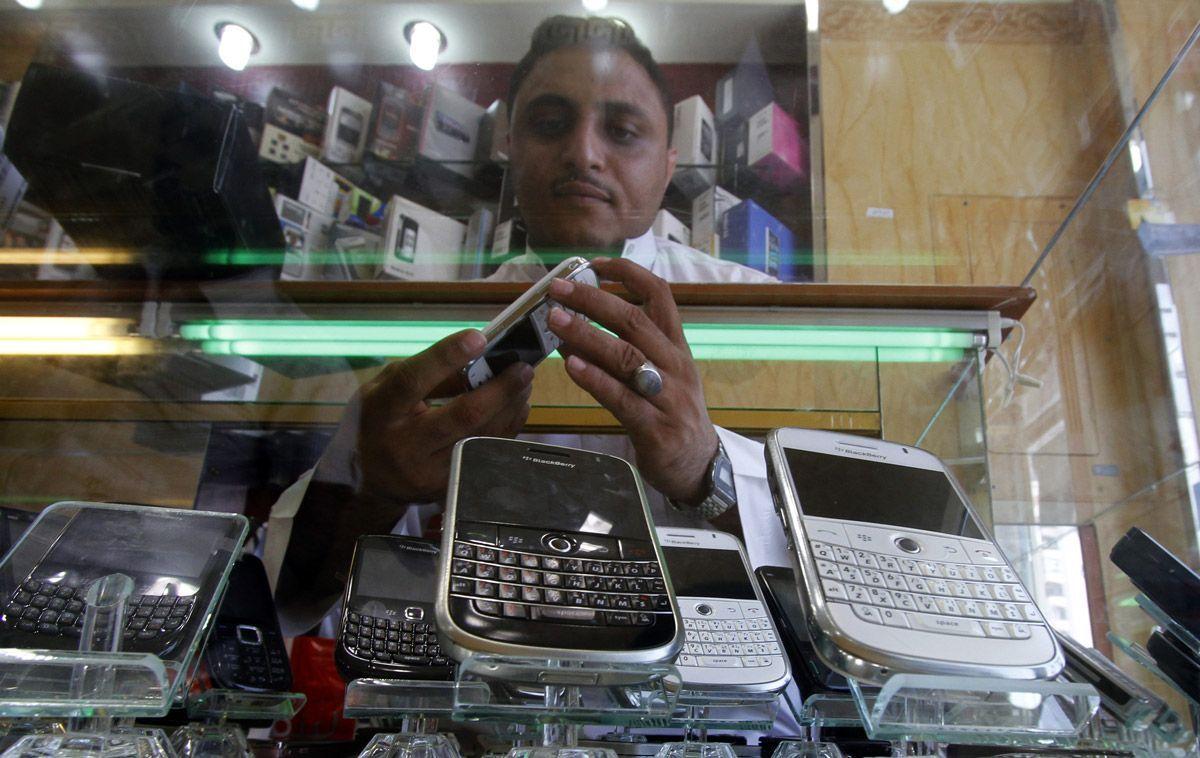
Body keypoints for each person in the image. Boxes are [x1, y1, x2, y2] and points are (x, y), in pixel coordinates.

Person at [265, 15, 790, 636]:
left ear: (669, 162)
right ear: (509, 143)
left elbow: (832, 588)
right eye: (548, 124)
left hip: (711, 716)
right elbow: (286, 606)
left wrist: (706, 472)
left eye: (622, 131)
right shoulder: (437, 330)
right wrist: (373, 489)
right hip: (481, 712)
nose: (584, 154)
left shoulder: (761, 312)